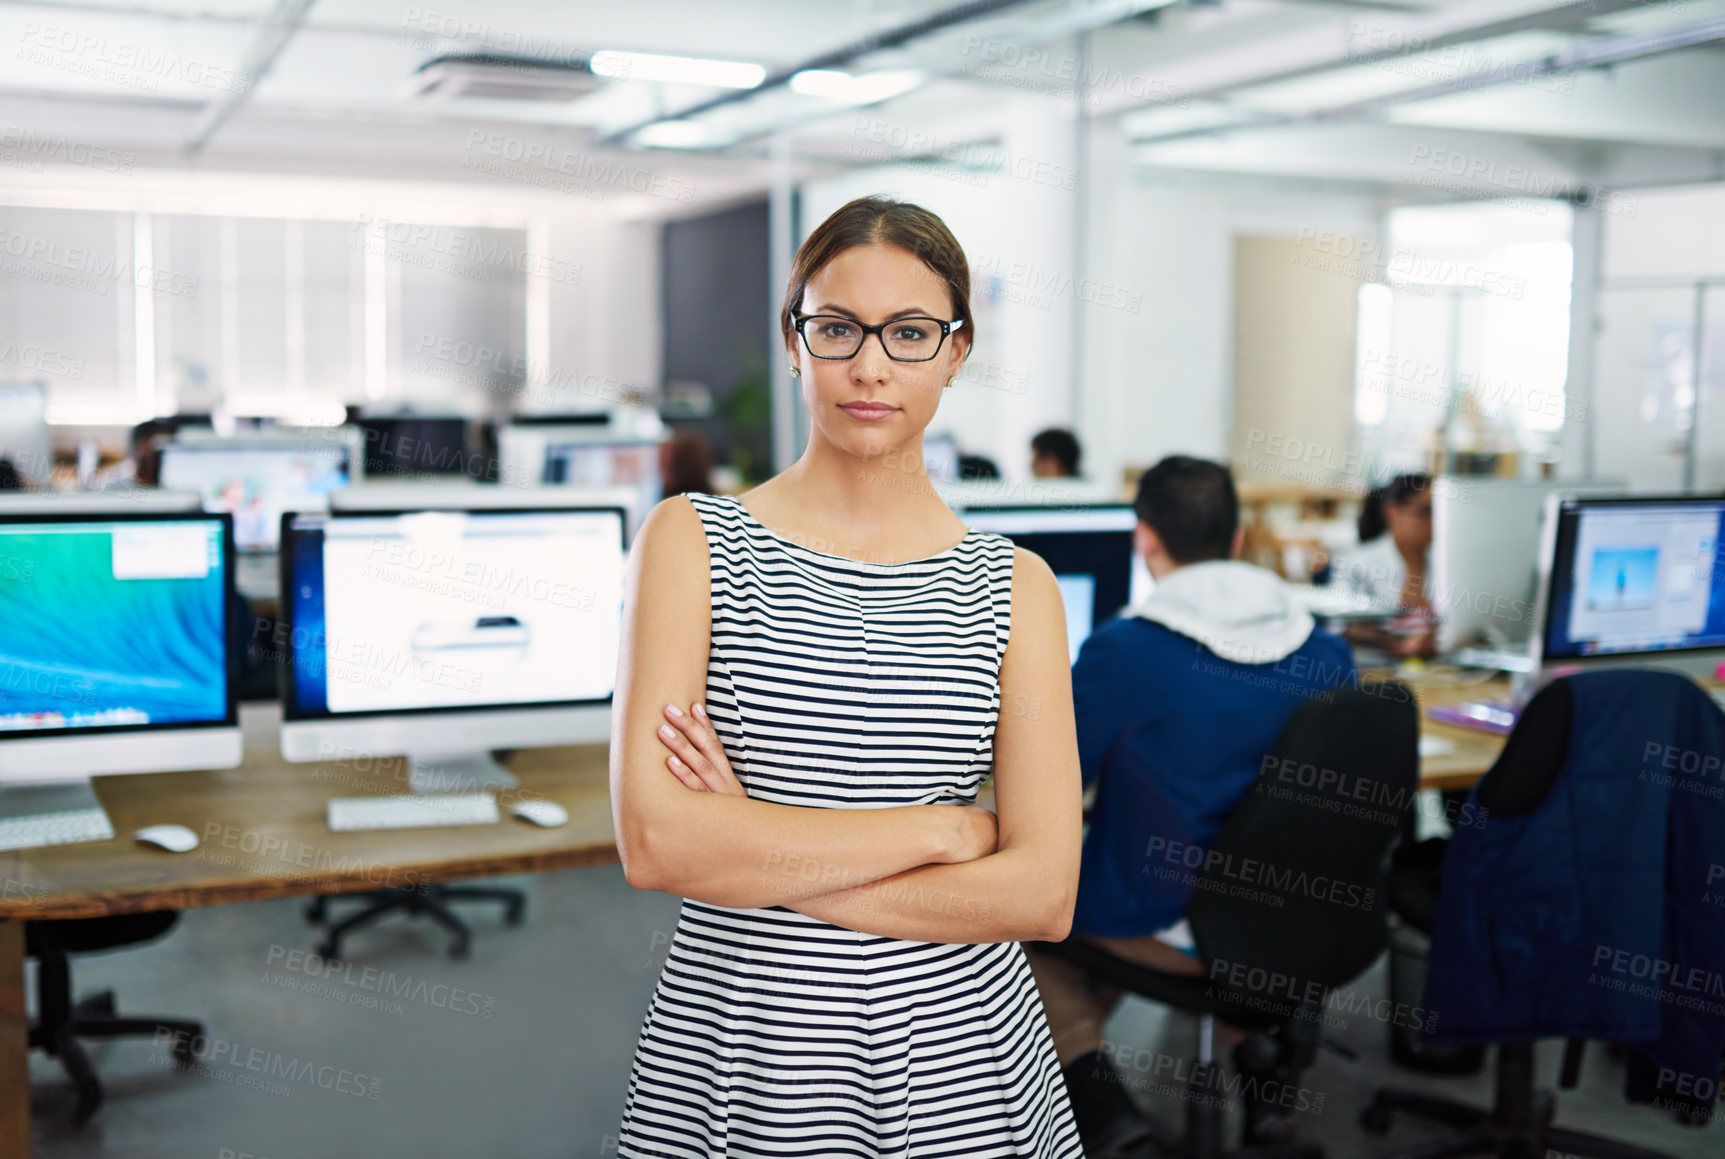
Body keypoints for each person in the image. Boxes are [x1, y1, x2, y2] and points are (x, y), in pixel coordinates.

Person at [612, 195, 1085, 1158]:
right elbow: (660, 845)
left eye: (909, 332)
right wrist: (943, 830)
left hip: (965, 1066)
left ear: (956, 351)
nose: (870, 365)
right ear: (796, 342)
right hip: (746, 1052)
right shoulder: (693, 540)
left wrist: (751, 848)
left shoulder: (1016, 587)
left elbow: (1041, 892)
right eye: (837, 328)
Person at [1023, 455, 1357, 1156]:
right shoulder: (1326, 652)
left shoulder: (1125, 649)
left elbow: (1047, 784)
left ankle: (1109, 1115)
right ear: (1237, 539)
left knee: (1016, 927)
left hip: (1175, 926)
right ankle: (1268, 1107)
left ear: (1144, 539)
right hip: (1297, 919)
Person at [1329, 473, 1436, 659]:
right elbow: (1341, 625)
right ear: (1393, 512)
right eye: (1426, 512)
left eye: (1440, 513)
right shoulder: (1356, 564)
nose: (1435, 522)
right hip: (1374, 666)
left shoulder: (1445, 564)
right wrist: (1398, 640)